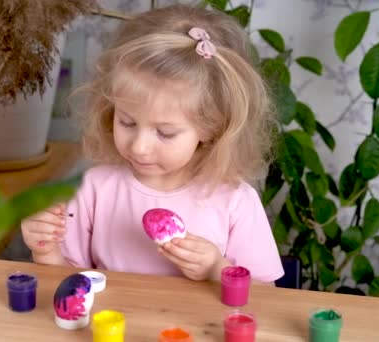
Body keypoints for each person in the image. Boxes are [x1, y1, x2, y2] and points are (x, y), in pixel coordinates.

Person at [21, 4, 284, 283]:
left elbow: (265, 295)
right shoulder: (93, 189)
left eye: (165, 133)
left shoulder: (234, 201)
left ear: (212, 127)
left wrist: (216, 269)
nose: (139, 147)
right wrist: (46, 251)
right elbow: (66, 284)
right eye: (127, 122)